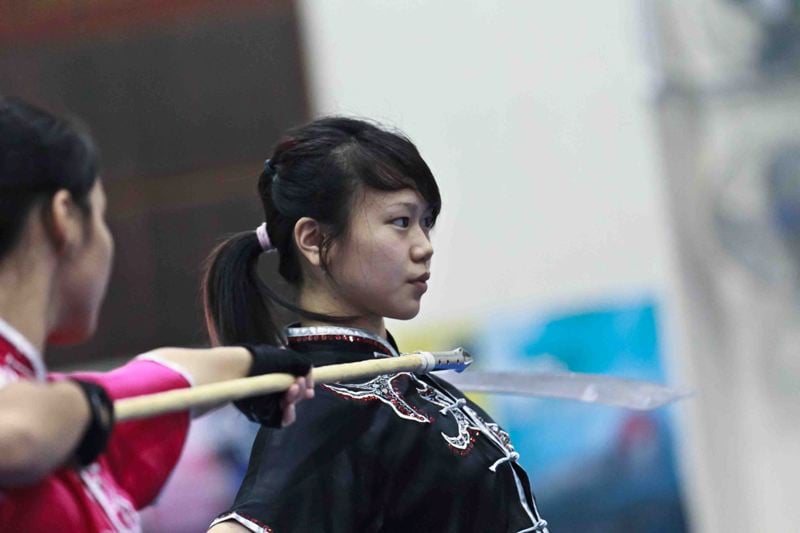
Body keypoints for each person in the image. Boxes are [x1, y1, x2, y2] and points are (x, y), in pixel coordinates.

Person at [204, 117, 550, 533]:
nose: (424, 247)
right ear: (314, 241)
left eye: (426, 222)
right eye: (401, 222)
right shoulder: (323, 410)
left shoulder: (390, 380)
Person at [0, 97, 314, 532]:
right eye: (102, 214)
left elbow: (147, 384)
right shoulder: (43, 419)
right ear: (65, 219)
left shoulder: (51, 412)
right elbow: (22, 428)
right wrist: (85, 404)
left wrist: (250, 364)